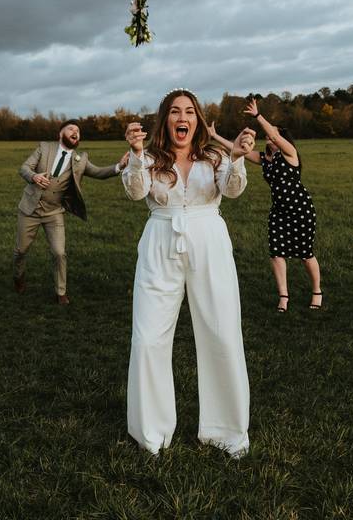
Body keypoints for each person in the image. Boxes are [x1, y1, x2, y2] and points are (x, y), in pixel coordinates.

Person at [122, 88, 255, 457]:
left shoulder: (215, 155)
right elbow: (136, 193)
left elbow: (232, 188)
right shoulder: (148, 157)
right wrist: (135, 155)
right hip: (160, 241)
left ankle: (225, 431)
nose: (183, 118)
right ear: (165, 119)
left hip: (209, 240)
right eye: (176, 112)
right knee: (148, 337)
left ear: (197, 119)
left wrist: (239, 157)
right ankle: (152, 433)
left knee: (221, 332)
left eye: (190, 112)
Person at [209, 98, 323, 312]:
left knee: (306, 254)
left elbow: (273, 135)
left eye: (274, 134)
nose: (269, 137)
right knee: (276, 254)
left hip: (301, 210)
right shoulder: (266, 159)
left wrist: (257, 116)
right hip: (278, 212)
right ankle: (283, 297)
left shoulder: (290, 154)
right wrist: (214, 136)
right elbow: (237, 150)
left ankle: (317, 291)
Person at [15, 120, 128, 305]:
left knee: (59, 253)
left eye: (78, 131)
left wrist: (119, 166)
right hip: (30, 210)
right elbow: (24, 168)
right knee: (21, 250)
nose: (76, 132)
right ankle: (18, 276)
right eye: (71, 129)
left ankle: (61, 292)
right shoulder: (44, 148)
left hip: (54, 213)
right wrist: (34, 176)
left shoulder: (80, 159)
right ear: (60, 134)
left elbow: (99, 172)